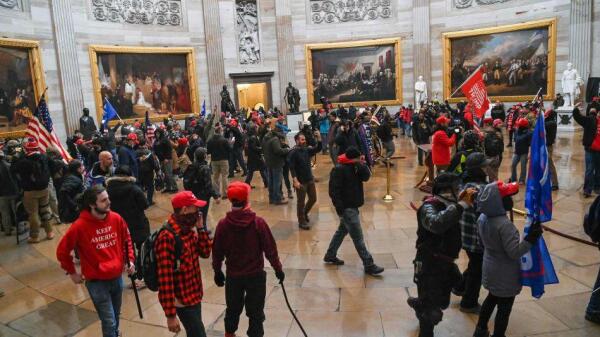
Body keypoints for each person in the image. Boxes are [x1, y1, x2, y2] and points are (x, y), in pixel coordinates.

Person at [56, 185, 136, 337]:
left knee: (115, 315)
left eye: (108, 198)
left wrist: (129, 260)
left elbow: (127, 240)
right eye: (104, 200)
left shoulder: (116, 218)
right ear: (92, 204)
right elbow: (62, 251)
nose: (109, 202)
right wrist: (72, 272)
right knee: (109, 321)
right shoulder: (79, 226)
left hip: (117, 277)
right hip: (97, 282)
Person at [212, 182, 284, 337]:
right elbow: (270, 249)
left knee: (232, 310)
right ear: (246, 199)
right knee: (256, 313)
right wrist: (278, 268)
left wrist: (217, 271)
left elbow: (217, 251)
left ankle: (229, 334)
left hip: (234, 276)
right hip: (255, 275)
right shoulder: (258, 223)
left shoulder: (223, 225)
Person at [407, 172, 474, 337]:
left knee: (451, 294)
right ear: (447, 190)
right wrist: (460, 206)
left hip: (446, 263)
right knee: (432, 312)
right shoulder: (429, 206)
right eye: (457, 188)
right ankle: (425, 327)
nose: (460, 192)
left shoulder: (450, 206)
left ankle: (420, 303)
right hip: (429, 263)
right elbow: (436, 224)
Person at [473, 181, 543, 337]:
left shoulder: (482, 218)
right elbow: (514, 252)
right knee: (504, 308)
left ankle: (480, 330)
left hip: (490, 266)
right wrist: (530, 239)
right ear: (499, 202)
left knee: (491, 299)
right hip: (505, 273)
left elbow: (481, 243)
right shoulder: (504, 225)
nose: (512, 200)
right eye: (508, 197)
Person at [156, 191, 212, 337]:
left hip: (194, 294)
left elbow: (205, 252)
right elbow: (165, 278)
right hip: (182, 300)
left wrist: (201, 229)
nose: (198, 212)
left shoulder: (188, 229)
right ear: (185, 210)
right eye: (195, 208)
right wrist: (170, 315)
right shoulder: (167, 237)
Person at [324, 147, 384, 275]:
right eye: (358, 158)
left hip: (353, 206)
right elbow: (333, 191)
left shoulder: (355, 167)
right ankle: (369, 264)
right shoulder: (338, 169)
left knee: (341, 232)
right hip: (347, 208)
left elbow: (366, 177)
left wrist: (361, 165)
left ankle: (330, 255)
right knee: (358, 238)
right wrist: (340, 209)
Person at [453, 153, 489, 313]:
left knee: (474, 263)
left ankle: (460, 286)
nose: (486, 167)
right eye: (484, 165)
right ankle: (469, 303)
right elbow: (487, 211)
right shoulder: (480, 189)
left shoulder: (464, 184)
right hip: (475, 237)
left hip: (464, 234)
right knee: (477, 269)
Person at [106, 165, 150, 287]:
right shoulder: (134, 189)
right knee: (142, 250)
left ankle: (133, 277)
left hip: (120, 225)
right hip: (138, 223)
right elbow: (145, 205)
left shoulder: (108, 190)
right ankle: (142, 278)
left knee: (128, 252)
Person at [11, 139, 54, 243]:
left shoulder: (23, 161)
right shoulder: (44, 157)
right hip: (44, 189)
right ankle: (50, 232)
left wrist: (16, 157)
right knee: (45, 210)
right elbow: (53, 165)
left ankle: (35, 236)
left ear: (26, 149)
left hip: (30, 192)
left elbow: (12, 170)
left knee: (33, 213)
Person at [288, 132, 322, 230]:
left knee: (313, 198)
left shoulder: (307, 150)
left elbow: (318, 149)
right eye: (302, 140)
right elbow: (292, 167)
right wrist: (295, 180)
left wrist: (319, 138)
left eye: (304, 139)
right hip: (300, 181)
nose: (304, 141)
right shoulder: (293, 152)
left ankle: (305, 213)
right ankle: (301, 221)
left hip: (309, 179)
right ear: (297, 140)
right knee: (301, 202)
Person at [184, 147, 221, 230]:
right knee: (202, 215)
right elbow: (208, 185)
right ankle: (203, 232)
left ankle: (198, 230)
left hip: (193, 194)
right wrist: (215, 196)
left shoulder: (191, 166)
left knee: (195, 214)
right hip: (203, 196)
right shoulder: (205, 168)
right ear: (204, 156)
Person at [572, 103, 600, 197]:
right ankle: (596, 188)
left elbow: (577, 116)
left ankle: (588, 190)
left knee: (590, 169)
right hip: (595, 148)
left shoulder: (588, 120)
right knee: (597, 169)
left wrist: (575, 108)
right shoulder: (592, 120)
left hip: (590, 148)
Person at [262, 120, 290, 205]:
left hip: (268, 162)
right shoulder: (274, 139)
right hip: (276, 162)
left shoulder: (265, 137)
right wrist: (286, 150)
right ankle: (277, 199)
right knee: (277, 181)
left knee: (271, 181)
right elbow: (278, 151)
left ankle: (271, 198)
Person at [207, 124, 231, 198]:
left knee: (215, 177)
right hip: (224, 160)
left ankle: (216, 193)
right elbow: (229, 149)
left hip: (214, 160)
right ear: (220, 131)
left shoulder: (210, 140)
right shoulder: (224, 140)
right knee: (224, 176)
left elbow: (208, 151)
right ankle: (225, 193)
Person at [57, 160, 85, 224]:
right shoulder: (73, 178)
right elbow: (63, 192)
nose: (83, 167)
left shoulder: (72, 175)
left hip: (72, 208)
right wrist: (74, 206)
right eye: (82, 166)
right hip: (71, 210)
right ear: (78, 169)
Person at [0, 150, 19, 235]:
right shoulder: (10, 166)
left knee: (5, 213)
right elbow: (17, 178)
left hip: (2, 194)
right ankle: (19, 229)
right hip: (13, 191)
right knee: (17, 211)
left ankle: (7, 230)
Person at [244, 124, 268, 188]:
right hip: (256, 157)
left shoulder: (251, 137)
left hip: (252, 157)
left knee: (251, 171)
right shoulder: (253, 137)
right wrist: (261, 148)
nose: (257, 129)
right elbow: (254, 147)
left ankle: (247, 183)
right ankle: (266, 182)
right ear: (254, 129)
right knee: (262, 169)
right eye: (256, 128)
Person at [154, 128, 178, 193]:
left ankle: (174, 188)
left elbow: (169, 149)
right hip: (161, 160)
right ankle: (168, 187)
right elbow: (155, 149)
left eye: (158, 133)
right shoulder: (156, 141)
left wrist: (167, 158)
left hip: (167, 160)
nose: (157, 134)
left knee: (169, 174)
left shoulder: (165, 140)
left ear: (161, 133)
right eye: (156, 133)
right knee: (165, 174)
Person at [510, 118, 532, 184]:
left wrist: (529, 153)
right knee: (513, 165)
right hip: (517, 152)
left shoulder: (529, 133)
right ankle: (513, 179)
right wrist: (514, 149)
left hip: (524, 152)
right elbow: (515, 141)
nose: (518, 126)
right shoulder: (516, 131)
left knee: (523, 166)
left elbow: (531, 144)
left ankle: (522, 180)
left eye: (519, 125)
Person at [544, 109, 559, 190]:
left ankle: (555, 183)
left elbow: (544, 125)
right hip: (544, 145)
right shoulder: (548, 122)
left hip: (548, 146)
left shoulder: (552, 123)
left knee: (550, 164)